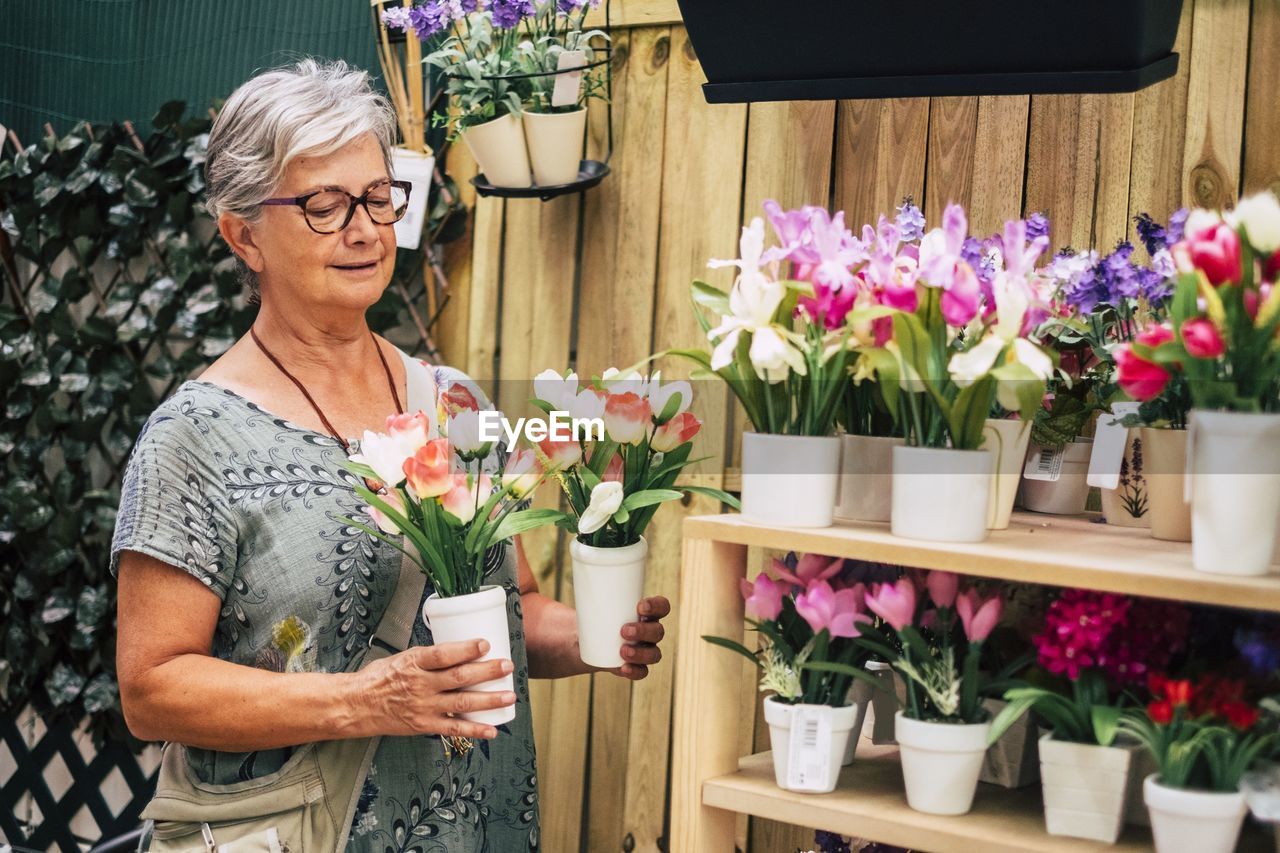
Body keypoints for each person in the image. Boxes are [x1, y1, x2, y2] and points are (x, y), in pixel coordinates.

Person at [112, 58, 669, 851]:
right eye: (322, 205)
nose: (366, 229)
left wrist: (593, 637)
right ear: (243, 234)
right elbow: (152, 687)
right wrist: (364, 699)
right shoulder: (195, 438)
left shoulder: (455, 401)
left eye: (378, 196)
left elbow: (510, 608)